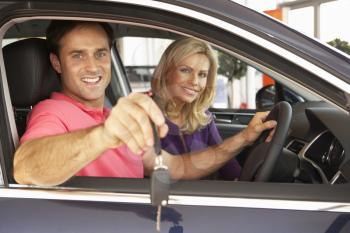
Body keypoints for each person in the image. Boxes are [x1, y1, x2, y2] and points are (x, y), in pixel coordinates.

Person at [13, 20, 276, 186]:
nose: (93, 66)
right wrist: (103, 136)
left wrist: (244, 138)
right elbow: (26, 167)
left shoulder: (110, 116)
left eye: (101, 54)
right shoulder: (53, 111)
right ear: (57, 63)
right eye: (78, 55)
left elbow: (179, 167)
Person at [151, 38, 241, 179]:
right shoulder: (145, 116)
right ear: (166, 72)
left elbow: (232, 171)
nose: (194, 82)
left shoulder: (203, 119)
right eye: (185, 70)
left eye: (202, 75)